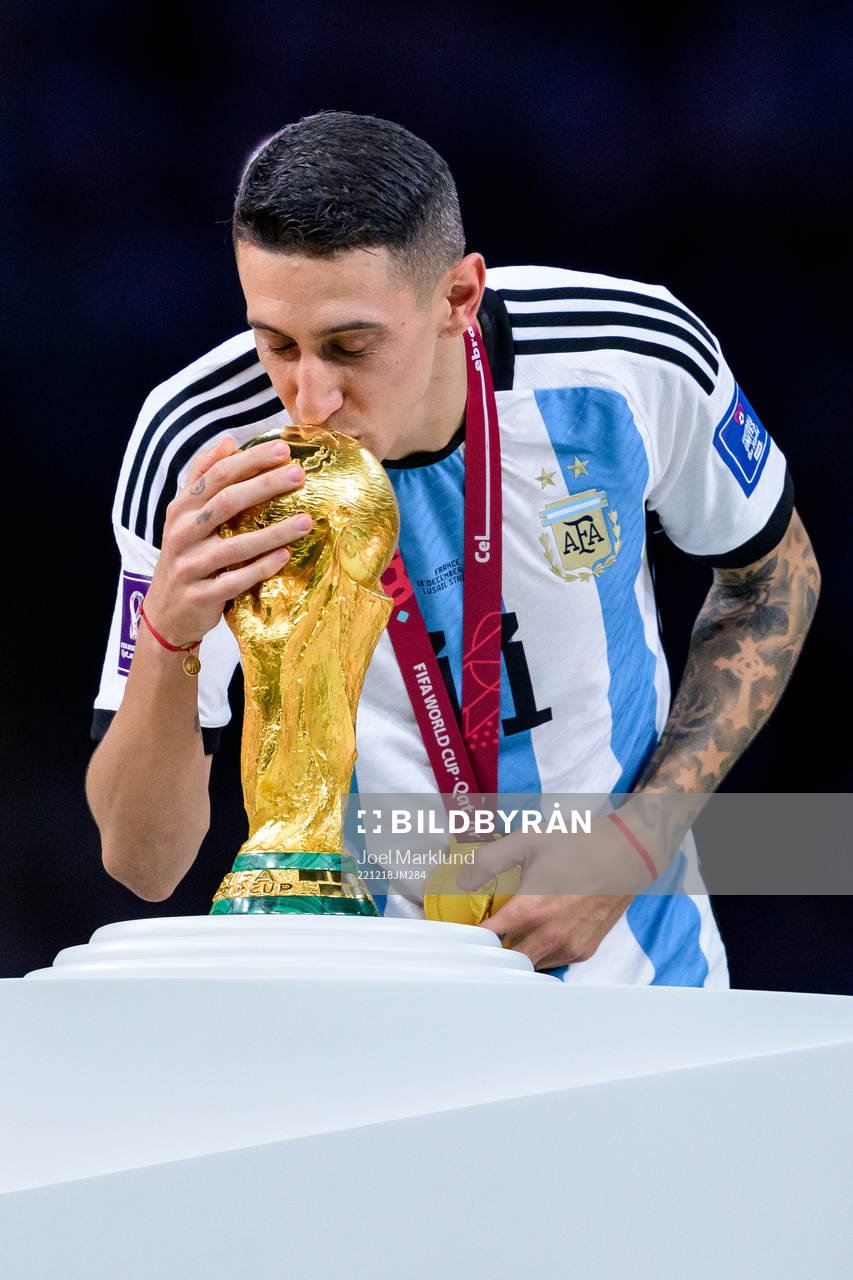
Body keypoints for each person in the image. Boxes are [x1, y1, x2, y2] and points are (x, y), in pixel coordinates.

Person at [85, 110, 820, 986]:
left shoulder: (627, 355)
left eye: (350, 347)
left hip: (644, 991)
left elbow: (773, 580)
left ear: (458, 299)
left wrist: (633, 844)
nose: (308, 397)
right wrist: (168, 636)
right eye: (275, 344)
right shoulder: (199, 447)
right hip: (369, 1019)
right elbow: (143, 862)